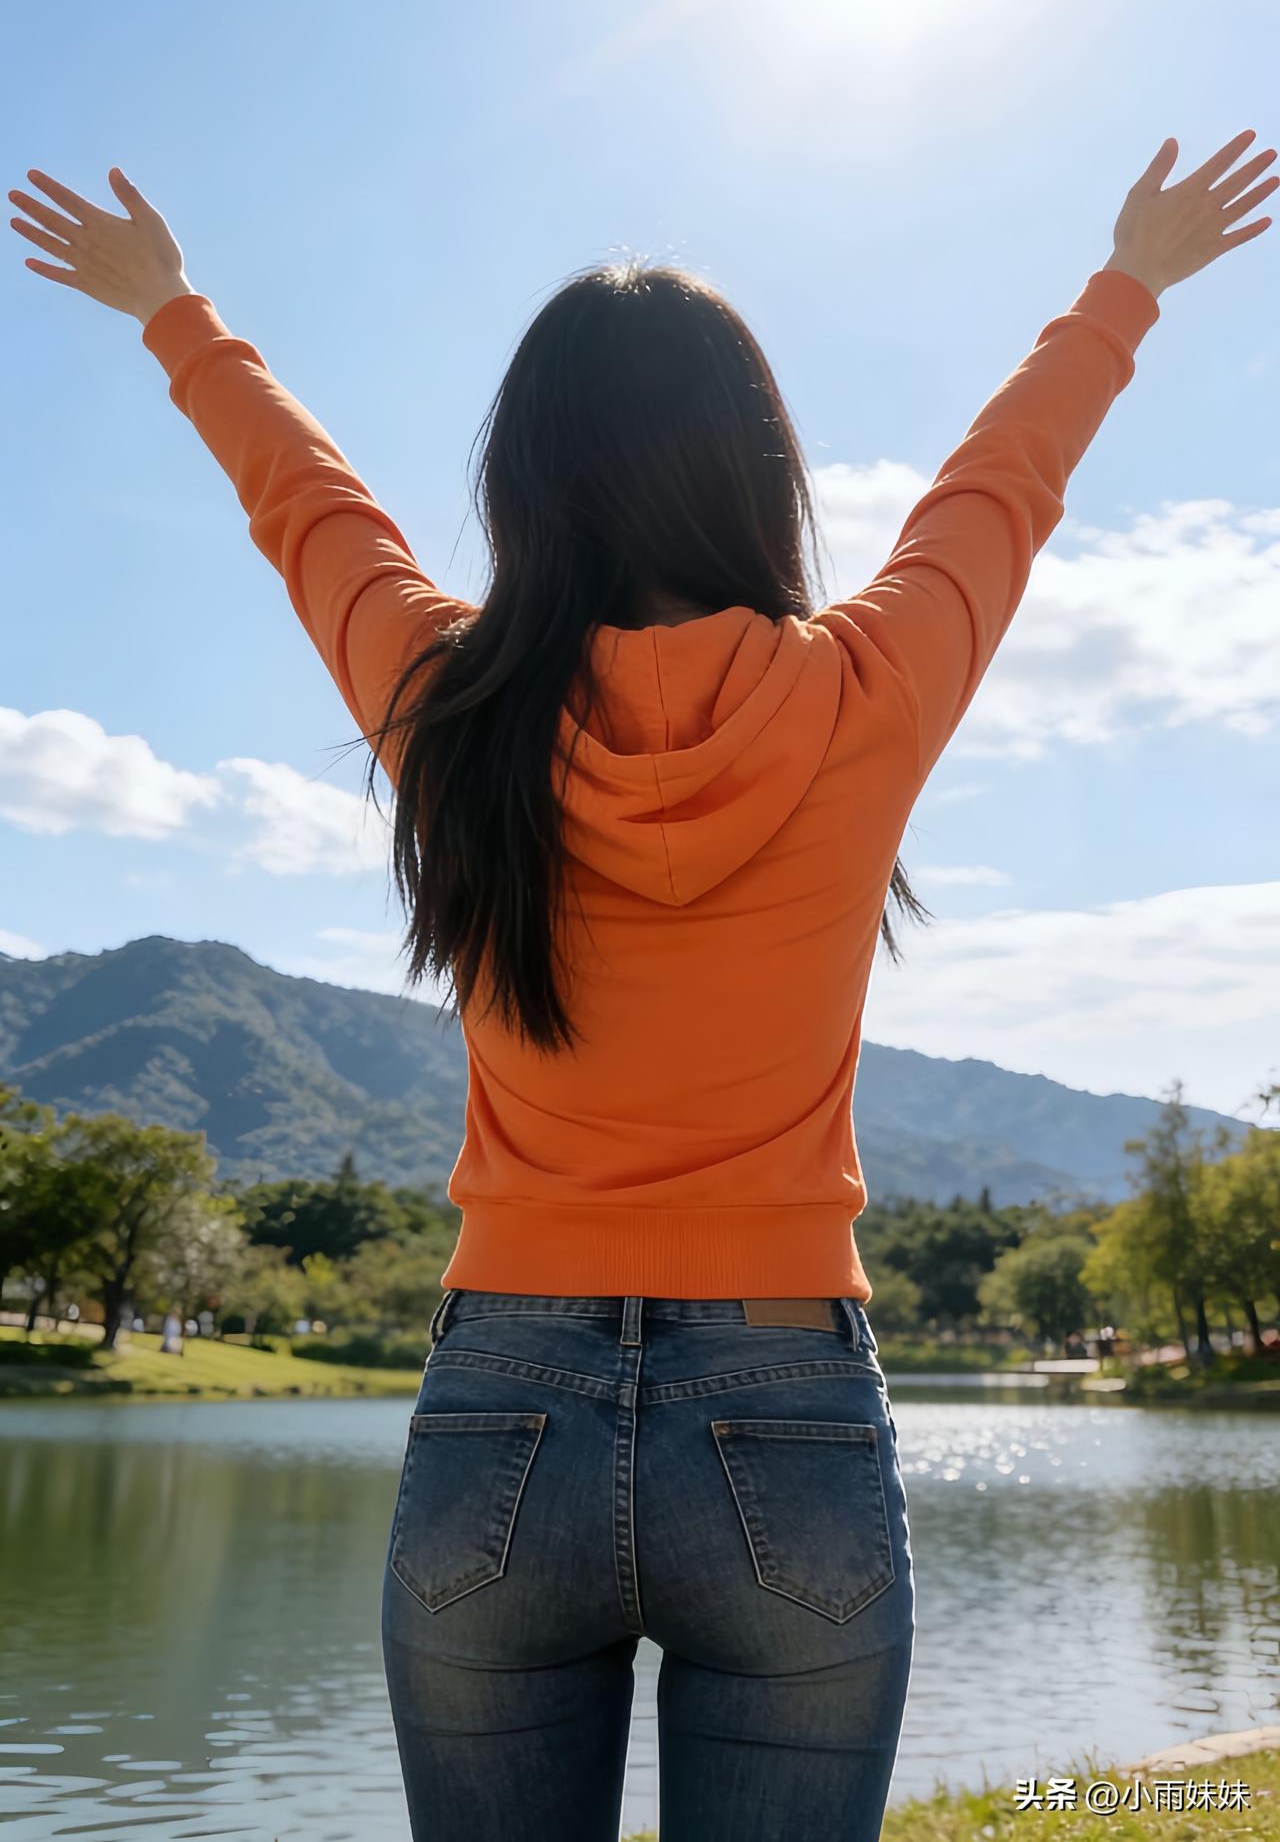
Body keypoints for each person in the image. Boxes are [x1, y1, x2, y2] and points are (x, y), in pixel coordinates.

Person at [8, 129, 1274, 1842]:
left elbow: (309, 514)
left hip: (498, 1416)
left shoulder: (455, 711)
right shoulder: (869, 692)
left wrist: (175, 314)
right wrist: (1125, 285)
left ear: (527, 478)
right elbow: (1003, 490)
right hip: (791, 1412)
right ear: (758, 473)